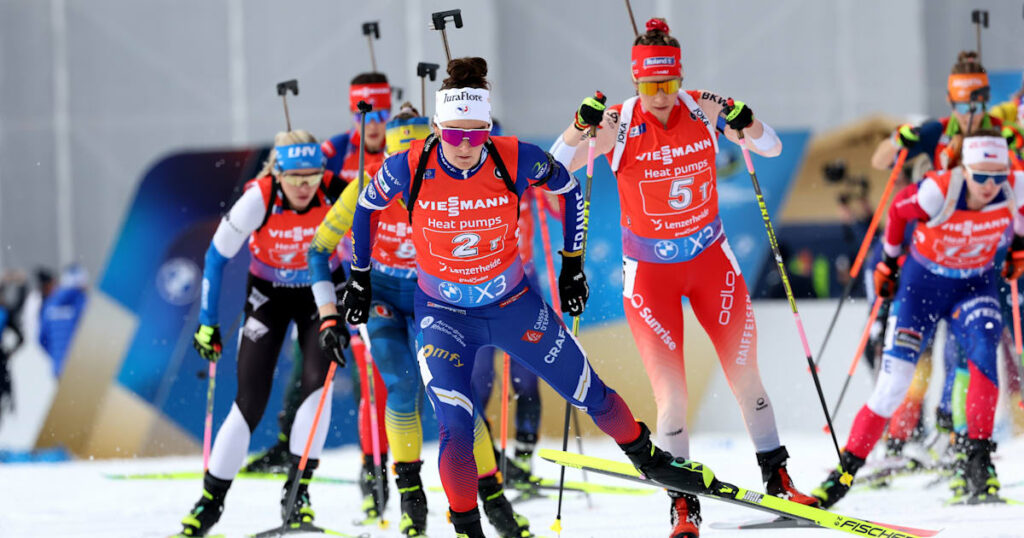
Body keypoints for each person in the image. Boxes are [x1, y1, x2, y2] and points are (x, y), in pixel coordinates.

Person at [336, 56, 716, 538]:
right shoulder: (410, 165)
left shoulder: (512, 155)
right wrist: (360, 277)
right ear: (436, 129)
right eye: (454, 135)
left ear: (489, 128)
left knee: (589, 393)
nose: (466, 147)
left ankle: (650, 460)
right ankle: (468, 529)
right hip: (444, 314)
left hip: (513, 307)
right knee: (456, 425)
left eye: (478, 134)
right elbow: (366, 206)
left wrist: (572, 264)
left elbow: (571, 189)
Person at [550, 17, 817, 537]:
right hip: (651, 278)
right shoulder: (619, 123)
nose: (660, 96)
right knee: (671, 398)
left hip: (711, 264)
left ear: (679, 77)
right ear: (635, 82)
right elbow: (558, 168)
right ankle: (683, 505)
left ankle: (779, 482)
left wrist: (746, 117)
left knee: (747, 379)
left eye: (667, 84)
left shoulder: (702, 105)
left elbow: (771, 147)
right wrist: (578, 127)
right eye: (649, 86)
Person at [310, 102, 534, 537]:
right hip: (384, 300)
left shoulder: (452, 181)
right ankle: (412, 500)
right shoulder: (369, 186)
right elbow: (318, 249)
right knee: (404, 385)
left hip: (437, 297)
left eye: (422, 160)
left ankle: (492, 497)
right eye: (402, 163)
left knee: (455, 395)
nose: (412, 174)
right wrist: (328, 316)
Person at [813, 131, 1023, 508]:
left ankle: (978, 465)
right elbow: (896, 212)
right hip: (921, 289)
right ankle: (843, 475)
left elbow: (1019, 211)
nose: (990, 186)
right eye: (981, 177)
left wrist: (1019, 246)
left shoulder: (1014, 186)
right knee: (895, 384)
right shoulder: (939, 191)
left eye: (998, 176)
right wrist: (889, 261)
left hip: (974, 287)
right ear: (965, 170)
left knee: (983, 358)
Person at [178, 130, 348, 537]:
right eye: (295, 178)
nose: (305, 187)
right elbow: (216, 257)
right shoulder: (260, 197)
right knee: (249, 400)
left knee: (316, 385)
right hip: (269, 295)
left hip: (320, 295)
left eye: (312, 177)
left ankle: (297, 496)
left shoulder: (336, 191)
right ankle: (209, 504)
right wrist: (207, 321)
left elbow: (369, 243)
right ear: (279, 173)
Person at [246, 73, 392, 517]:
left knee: (377, 377)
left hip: (382, 274)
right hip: (333, 273)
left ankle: (375, 468)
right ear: (354, 112)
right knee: (310, 368)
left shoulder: (396, 151)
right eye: (365, 112)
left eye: (381, 112)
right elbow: (288, 177)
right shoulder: (334, 151)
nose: (373, 122)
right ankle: (288, 445)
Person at [38, 263, 88, 376]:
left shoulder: (49, 304)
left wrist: (57, 355)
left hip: (59, 368)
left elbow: (42, 339)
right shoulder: (83, 303)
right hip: (81, 368)